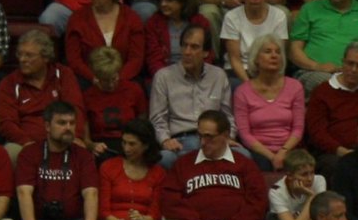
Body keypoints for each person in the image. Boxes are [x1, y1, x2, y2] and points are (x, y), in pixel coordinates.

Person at [158, 110, 281, 220]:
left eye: (209, 137)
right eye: (200, 136)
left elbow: (257, 204)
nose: (202, 142)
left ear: (225, 135)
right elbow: (170, 201)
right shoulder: (184, 163)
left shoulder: (244, 164)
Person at [15, 100, 101, 220]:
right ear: (47, 126)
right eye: (61, 123)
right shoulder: (30, 154)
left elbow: (91, 193)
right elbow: (24, 192)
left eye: (71, 123)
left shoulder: (83, 155)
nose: (68, 128)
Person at [151, 23, 235, 164]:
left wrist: (228, 137)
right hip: (180, 141)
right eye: (184, 46)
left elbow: (227, 116)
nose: (187, 52)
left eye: (194, 47)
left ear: (206, 52)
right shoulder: (163, 77)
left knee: (243, 155)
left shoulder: (218, 76)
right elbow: (158, 119)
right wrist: (165, 140)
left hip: (214, 139)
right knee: (165, 159)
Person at [0, 29, 88, 156]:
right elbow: (6, 122)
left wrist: (75, 136)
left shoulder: (63, 75)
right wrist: (26, 142)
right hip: (24, 143)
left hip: (63, 138)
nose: (22, 59)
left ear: (45, 57)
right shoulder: (9, 83)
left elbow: (76, 108)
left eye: (29, 55)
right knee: (10, 152)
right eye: (20, 54)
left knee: (81, 151)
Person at [305, 40, 358, 169]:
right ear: (342, 62)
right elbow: (317, 133)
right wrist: (341, 151)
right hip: (333, 153)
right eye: (350, 63)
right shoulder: (322, 91)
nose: (353, 69)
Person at [236, 39, 308, 171]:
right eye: (268, 52)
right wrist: (271, 156)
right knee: (259, 165)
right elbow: (244, 134)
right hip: (258, 150)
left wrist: (282, 152)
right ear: (256, 59)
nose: (274, 55)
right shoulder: (242, 91)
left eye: (278, 52)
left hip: (289, 148)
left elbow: (298, 129)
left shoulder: (295, 87)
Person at [99, 119, 167, 220]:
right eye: (124, 143)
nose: (126, 148)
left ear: (146, 145)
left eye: (132, 144)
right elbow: (103, 213)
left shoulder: (158, 173)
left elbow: (155, 215)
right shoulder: (108, 167)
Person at [224, 0, 293, 83]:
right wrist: (249, 86)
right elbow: (234, 59)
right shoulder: (231, 17)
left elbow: (279, 56)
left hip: (268, 71)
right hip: (239, 72)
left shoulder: (279, 16)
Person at [81, 46, 148, 159]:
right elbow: (86, 139)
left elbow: (142, 126)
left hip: (130, 144)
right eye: (105, 81)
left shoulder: (134, 90)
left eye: (114, 78)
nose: (111, 84)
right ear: (96, 77)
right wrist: (93, 146)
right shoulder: (87, 96)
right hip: (103, 148)